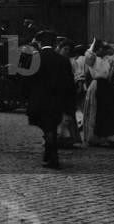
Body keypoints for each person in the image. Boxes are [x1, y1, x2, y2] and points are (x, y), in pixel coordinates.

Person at [24, 30, 76, 169]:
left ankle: (51, 157)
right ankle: (51, 156)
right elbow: (69, 83)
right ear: (54, 44)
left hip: (40, 100)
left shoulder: (35, 58)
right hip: (57, 100)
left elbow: (27, 81)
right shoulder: (62, 60)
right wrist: (69, 104)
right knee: (51, 127)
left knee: (48, 129)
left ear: (40, 43)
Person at [83, 40, 114, 147]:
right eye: (101, 48)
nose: (103, 50)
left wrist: (111, 46)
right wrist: (94, 45)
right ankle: (95, 137)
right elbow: (88, 53)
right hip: (97, 85)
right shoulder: (92, 59)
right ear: (96, 49)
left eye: (103, 48)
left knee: (108, 111)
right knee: (97, 110)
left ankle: (111, 137)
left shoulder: (107, 59)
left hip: (107, 86)